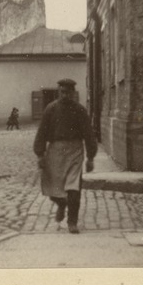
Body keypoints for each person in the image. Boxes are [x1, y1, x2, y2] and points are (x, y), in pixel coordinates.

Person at [33, 78, 96, 234]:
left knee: (74, 187)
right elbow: (41, 132)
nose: (65, 95)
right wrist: (40, 154)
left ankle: (72, 222)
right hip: (55, 150)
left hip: (75, 150)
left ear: (73, 93)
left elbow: (89, 134)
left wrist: (90, 157)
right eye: (62, 92)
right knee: (52, 188)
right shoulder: (50, 109)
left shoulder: (80, 110)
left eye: (68, 93)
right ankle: (62, 203)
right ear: (58, 92)